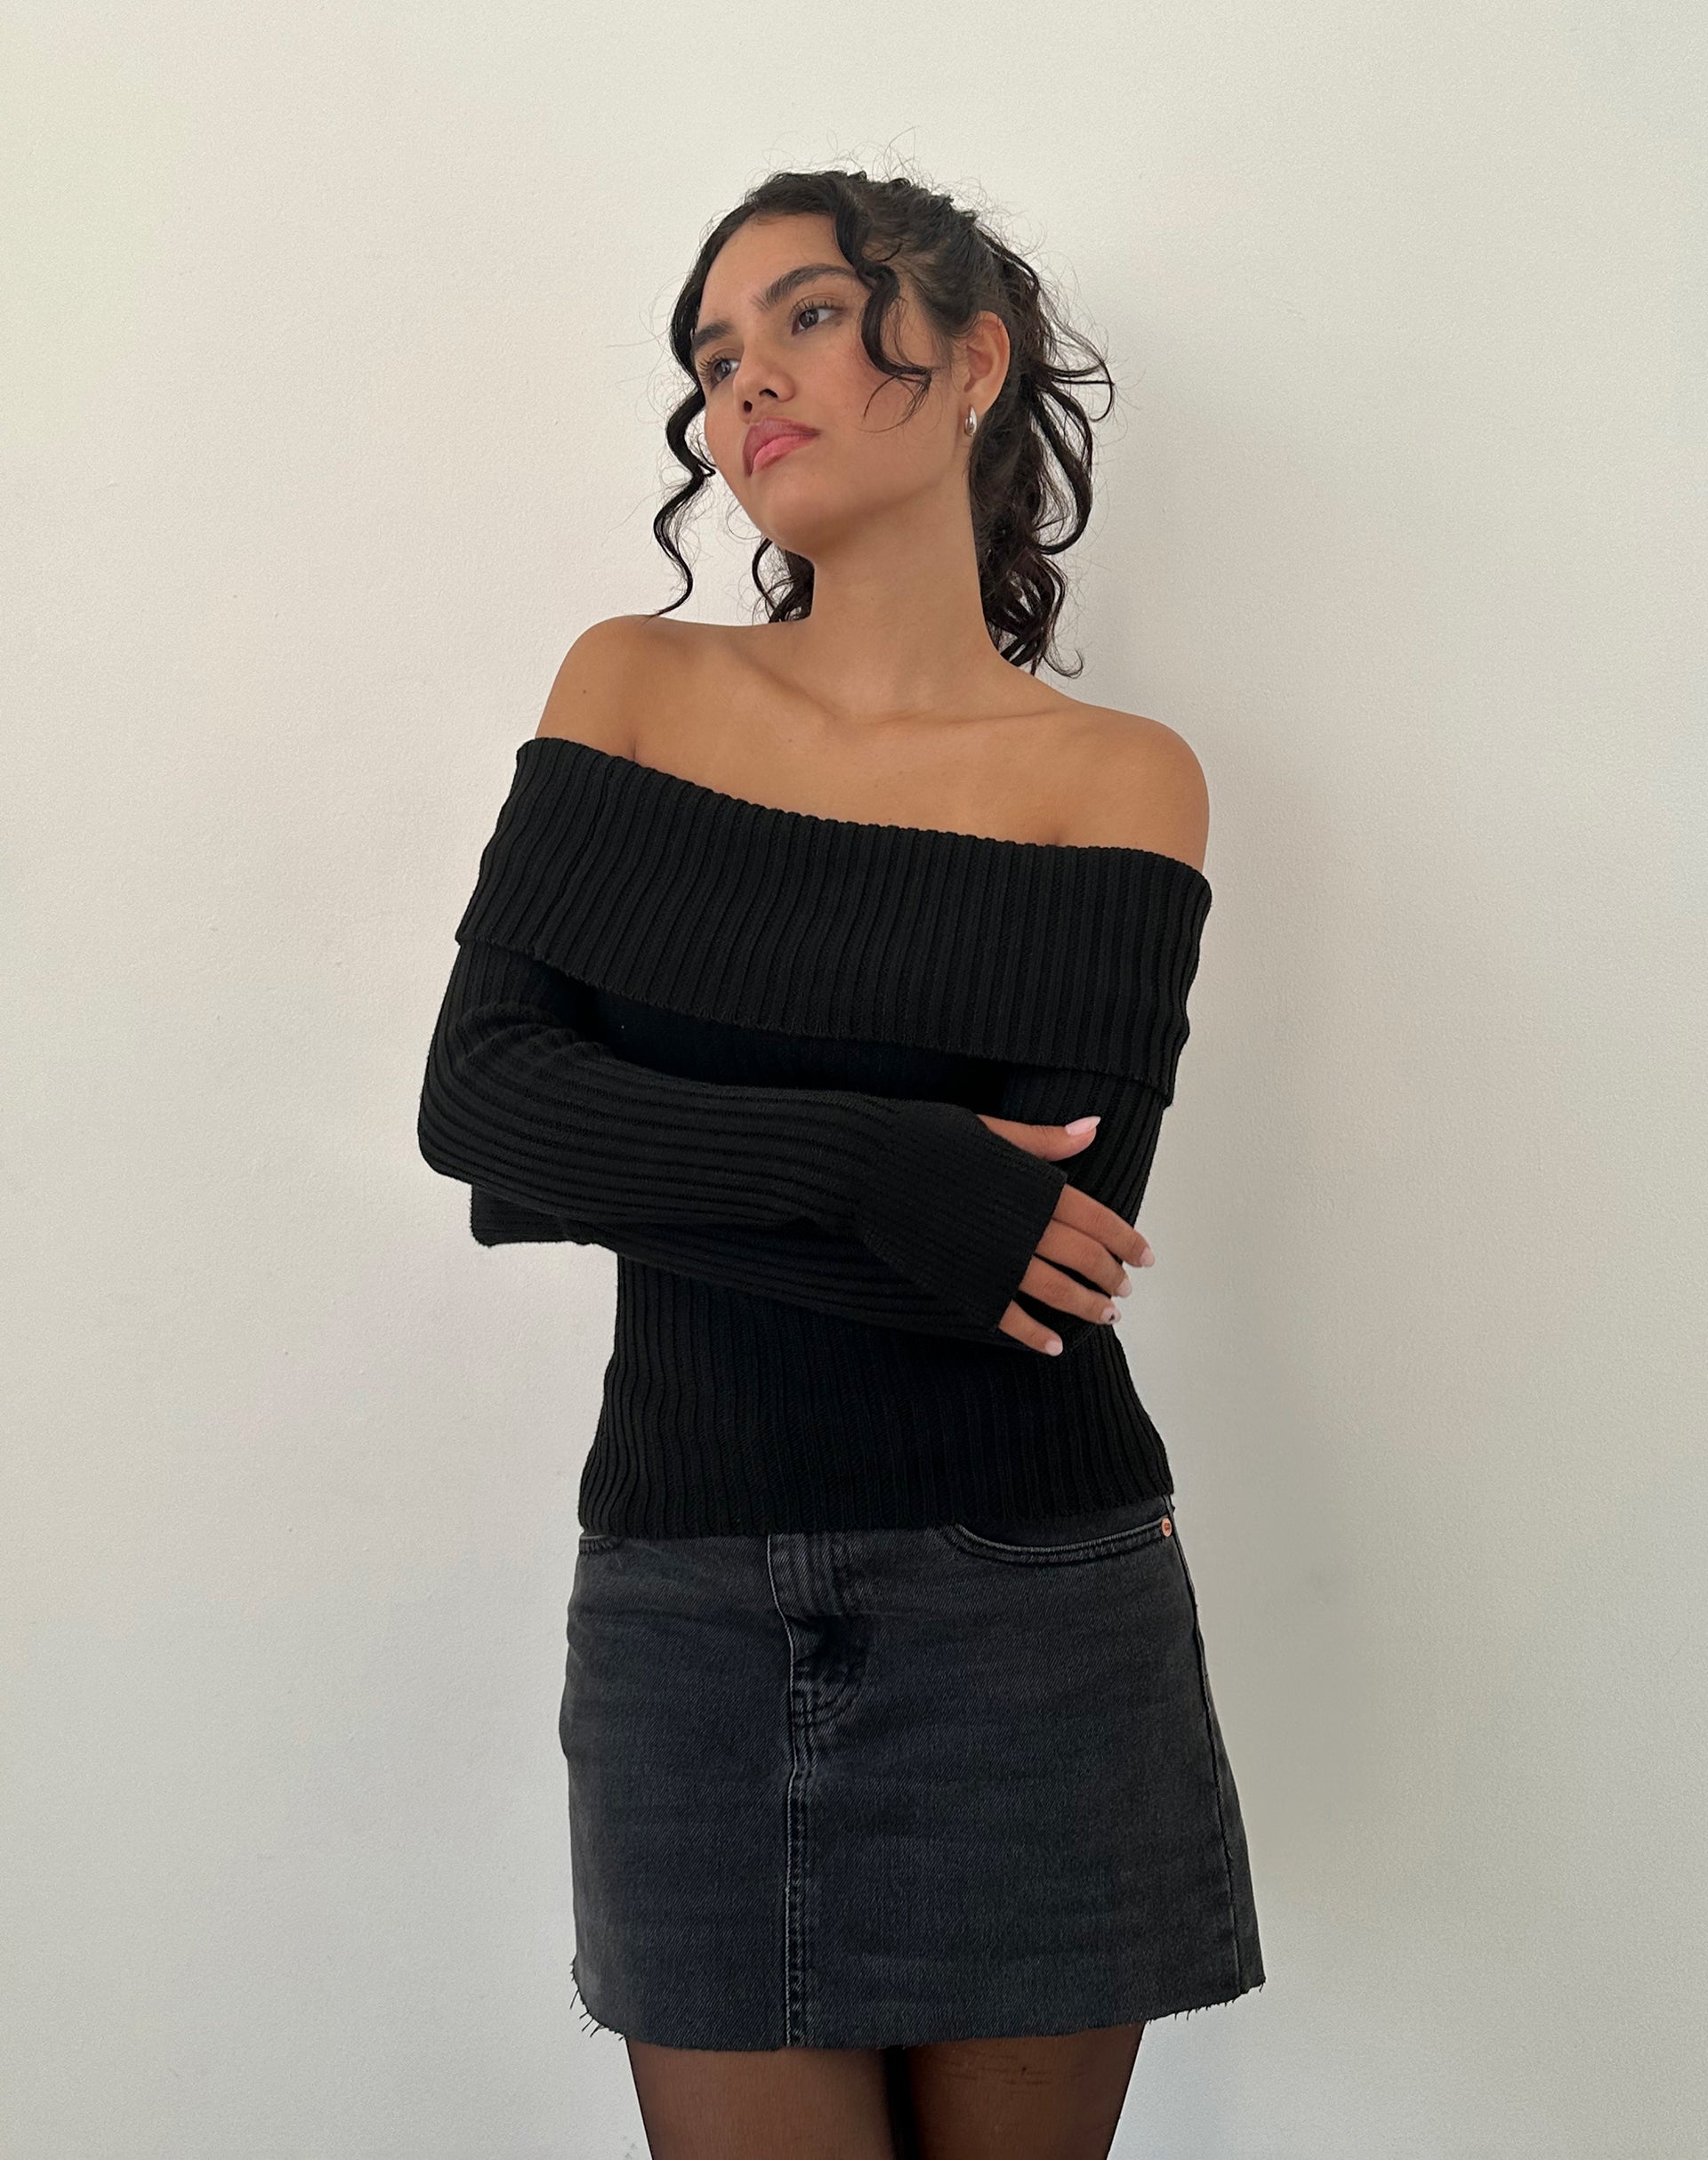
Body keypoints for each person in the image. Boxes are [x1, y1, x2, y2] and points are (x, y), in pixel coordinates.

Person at [418, 165, 1263, 2160]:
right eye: (716, 356)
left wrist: (617, 1168)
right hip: (684, 1603)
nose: (749, 384)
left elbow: (1039, 1263)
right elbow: (483, 1102)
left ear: (972, 359)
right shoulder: (637, 687)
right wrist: (887, 1166)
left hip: (1030, 1603)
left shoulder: (1118, 781)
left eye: (805, 315)